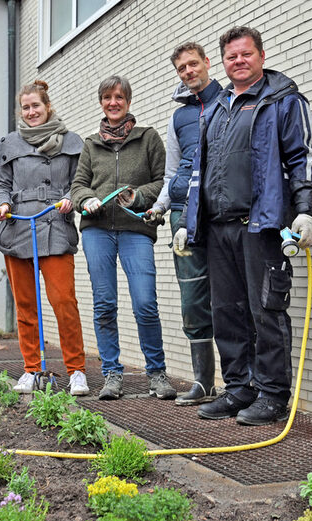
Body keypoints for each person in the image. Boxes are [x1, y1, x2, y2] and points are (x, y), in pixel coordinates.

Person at [175, 26, 312, 425]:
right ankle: (239, 389)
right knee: (227, 313)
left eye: (245, 54)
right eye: (231, 57)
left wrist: (304, 210)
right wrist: (190, 221)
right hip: (219, 229)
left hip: (262, 227)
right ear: (223, 62)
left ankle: (273, 396)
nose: (238, 62)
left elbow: (301, 158)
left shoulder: (283, 101)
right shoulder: (219, 107)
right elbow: (199, 170)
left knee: (266, 311)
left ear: (261, 55)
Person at [70, 75, 176, 401]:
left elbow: (164, 181)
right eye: (107, 97)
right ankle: (112, 375)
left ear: (128, 101)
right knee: (104, 304)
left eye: (119, 97)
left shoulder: (148, 139)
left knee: (145, 303)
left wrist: (138, 196)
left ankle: (156, 374)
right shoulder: (90, 144)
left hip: (135, 231)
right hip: (98, 231)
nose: (113, 102)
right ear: (101, 102)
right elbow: (78, 185)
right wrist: (86, 198)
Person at [0, 80, 89, 396]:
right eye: (26, 107)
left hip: (56, 228)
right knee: (26, 304)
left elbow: (80, 183)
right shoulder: (10, 144)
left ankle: (76, 370)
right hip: (19, 229)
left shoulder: (72, 142)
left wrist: (71, 199)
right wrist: (3, 204)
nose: (31, 112)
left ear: (48, 107)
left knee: (64, 301)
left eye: (36, 105)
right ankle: (32, 369)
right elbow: (2, 183)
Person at [144, 42, 222, 406]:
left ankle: (244, 382)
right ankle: (204, 383)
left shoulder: (229, 102)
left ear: (207, 63)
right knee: (193, 298)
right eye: (181, 68)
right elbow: (172, 171)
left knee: (231, 295)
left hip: (219, 212)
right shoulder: (178, 117)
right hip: (181, 214)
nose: (189, 72)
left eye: (193, 64)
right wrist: (160, 207)